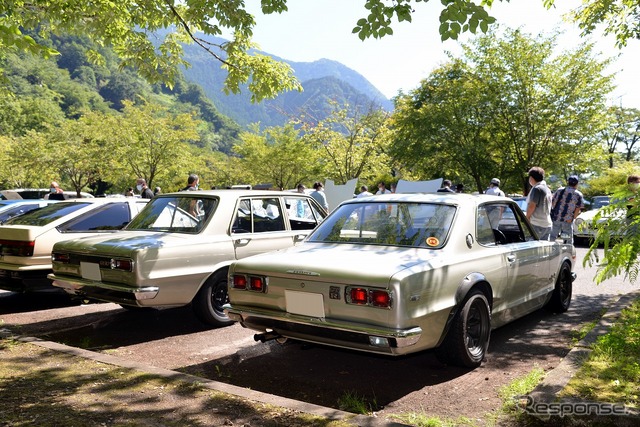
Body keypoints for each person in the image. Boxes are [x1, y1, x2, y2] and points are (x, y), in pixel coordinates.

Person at [550, 175, 584, 244]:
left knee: (552, 236)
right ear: (577, 183)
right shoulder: (578, 194)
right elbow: (578, 208)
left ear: (568, 182)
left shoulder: (560, 190)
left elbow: (553, 202)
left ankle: (549, 250)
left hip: (556, 217)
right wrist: (573, 217)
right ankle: (566, 252)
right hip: (568, 219)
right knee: (567, 238)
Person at [525, 167, 553, 240]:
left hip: (536, 223)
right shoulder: (547, 189)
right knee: (544, 249)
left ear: (531, 178)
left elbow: (532, 206)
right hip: (547, 223)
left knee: (531, 247)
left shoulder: (537, 189)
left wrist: (527, 218)